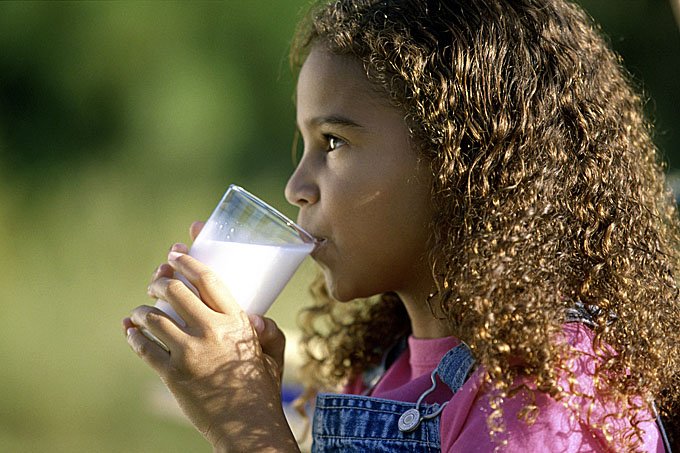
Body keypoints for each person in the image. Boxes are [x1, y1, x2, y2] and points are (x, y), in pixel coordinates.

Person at [123, 0, 680, 451]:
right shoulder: (375, 370)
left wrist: (246, 429)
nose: (296, 186)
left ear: (462, 163)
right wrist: (255, 401)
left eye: (334, 142)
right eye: (305, 142)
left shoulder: (555, 393)